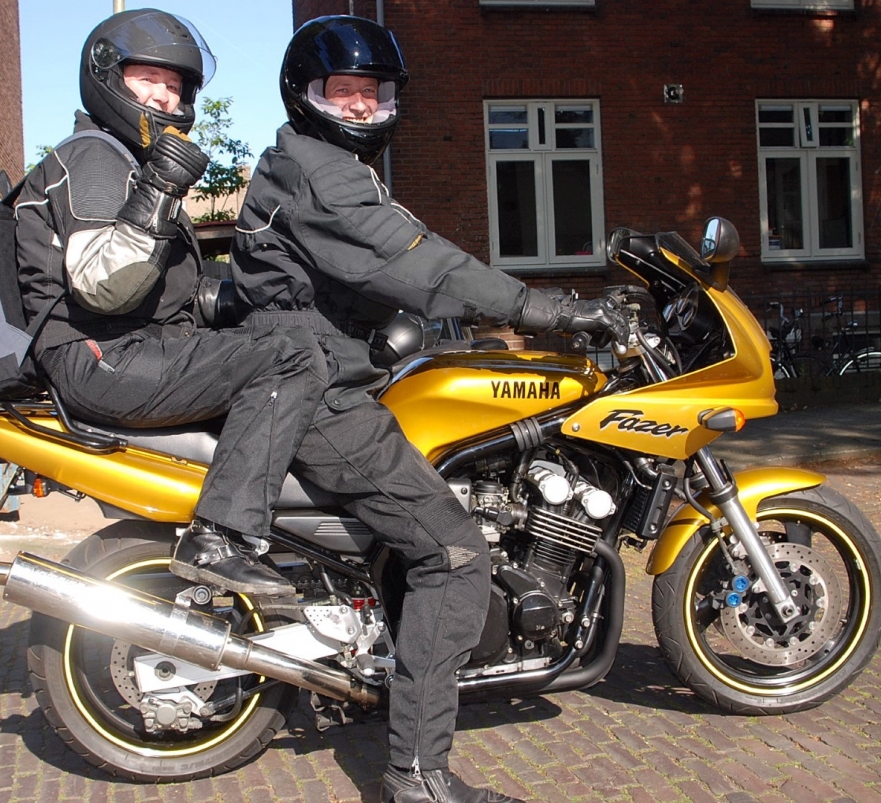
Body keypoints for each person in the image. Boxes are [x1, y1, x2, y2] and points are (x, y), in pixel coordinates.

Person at [229, 15, 629, 803]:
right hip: (320, 395)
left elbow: (399, 262)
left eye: (373, 93)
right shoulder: (321, 174)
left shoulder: (320, 165)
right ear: (305, 95)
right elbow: (420, 263)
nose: (361, 106)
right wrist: (549, 309)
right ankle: (416, 775)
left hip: (321, 375)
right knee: (455, 554)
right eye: (343, 91)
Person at [14, 9, 328, 597]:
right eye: (149, 79)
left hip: (135, 347)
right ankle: (222, 538)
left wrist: (284, 297)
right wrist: (160, 188)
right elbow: (104, 284)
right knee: (289, 357)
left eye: (175, 85)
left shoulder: (126, 160)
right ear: (108, 76)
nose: (165, 97)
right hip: (101, 355)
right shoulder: (94, 157)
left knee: (287, 339)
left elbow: (172, 290)